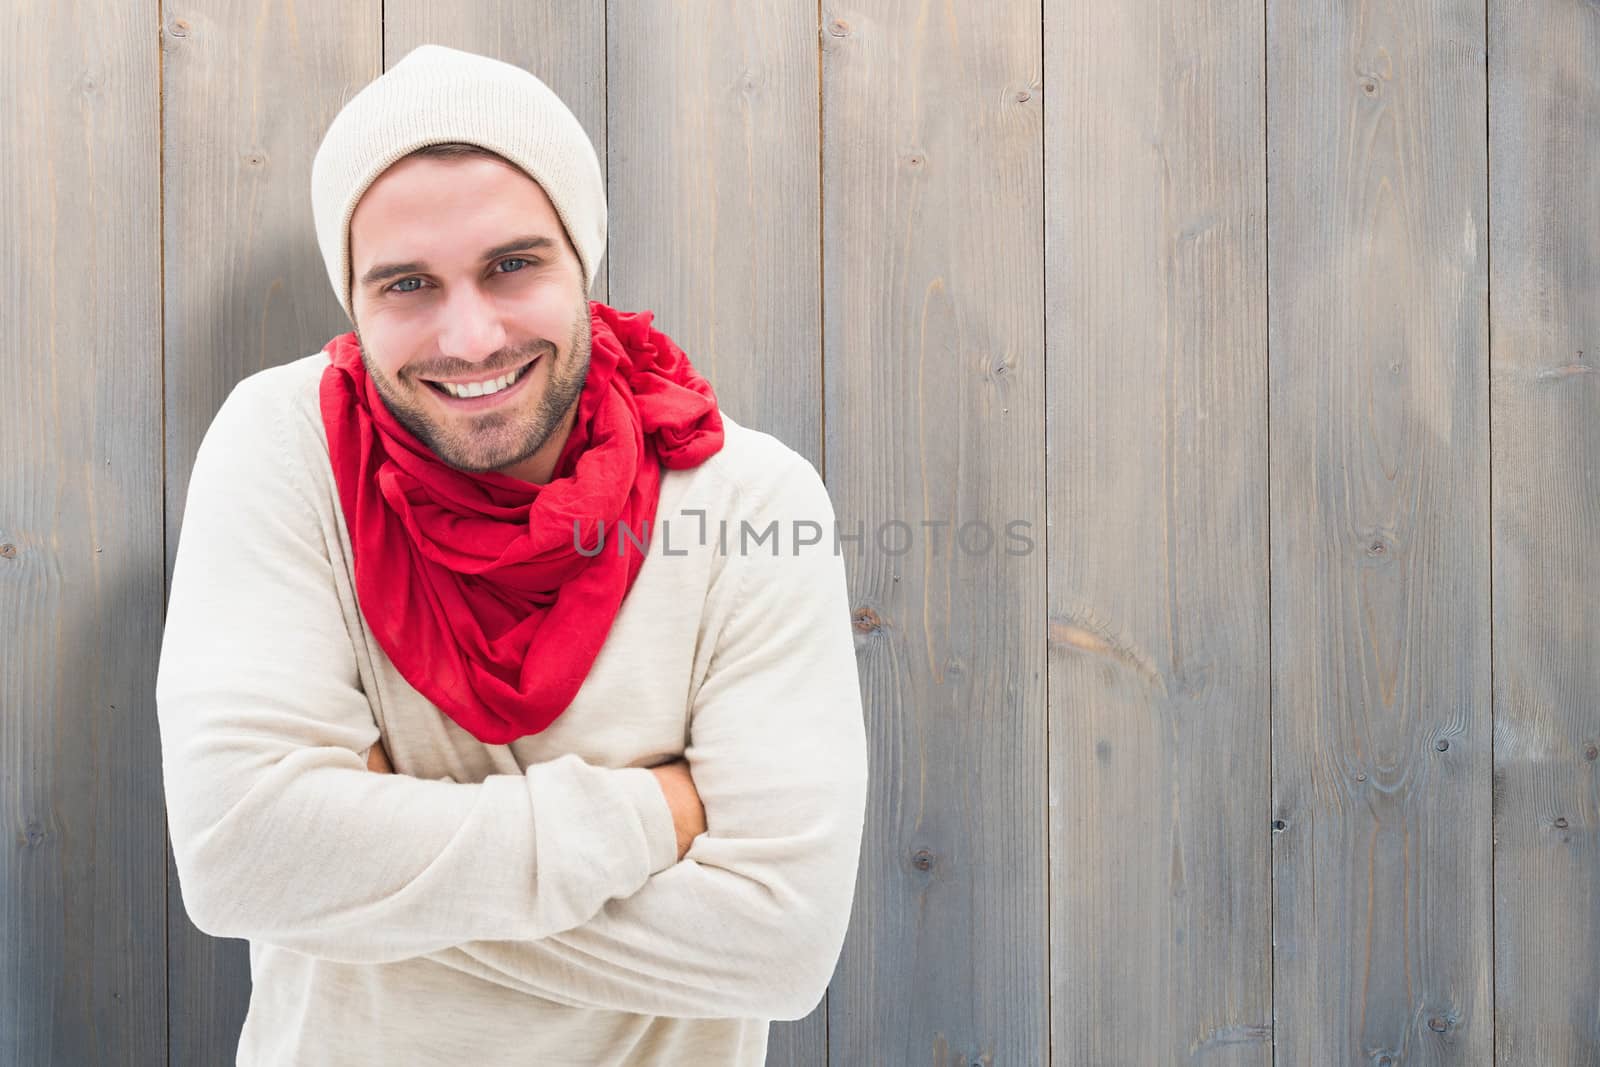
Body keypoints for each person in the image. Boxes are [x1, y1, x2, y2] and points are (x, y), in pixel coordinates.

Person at [155, 43, 869, 1067]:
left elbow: (780, 943)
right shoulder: (285, 446)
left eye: (513, 264)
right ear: (351, 303)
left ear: (584, 259)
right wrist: (652, 811)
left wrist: (366, 877)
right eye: (407, 282)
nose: (471, 334)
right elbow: (242, 856)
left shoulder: (747, 500)